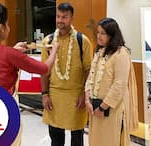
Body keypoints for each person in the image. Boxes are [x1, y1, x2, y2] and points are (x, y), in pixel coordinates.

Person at [0, 3, 58, 146]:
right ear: (1, 28)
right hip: (4, 111)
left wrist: (13, 51)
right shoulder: (10, 54)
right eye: (7, 24)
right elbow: (44, 69)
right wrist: (54, 50)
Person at [40, 2, 92, 146]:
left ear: (71, 18)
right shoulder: (48, 41)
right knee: (55, 139)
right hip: (54, 96)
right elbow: (43, 71)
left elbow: (89, 70)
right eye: (58, 16)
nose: (60, 20)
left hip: (76, 96)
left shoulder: (83, 41)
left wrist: (84, 93)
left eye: (64, 17)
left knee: (77, 139)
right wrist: (44, 94)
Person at [84, 17, 139, 146]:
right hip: (95, 107)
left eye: (103, 33)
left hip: (112, 109)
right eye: (98, 32)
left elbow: (119, 84)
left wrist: (103, 107)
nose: (99, 36)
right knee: (97, 141)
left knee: (111, 141)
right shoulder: (99, 52)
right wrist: (87, 99)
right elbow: (90, 78)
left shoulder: (121, 54)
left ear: (112, 35)